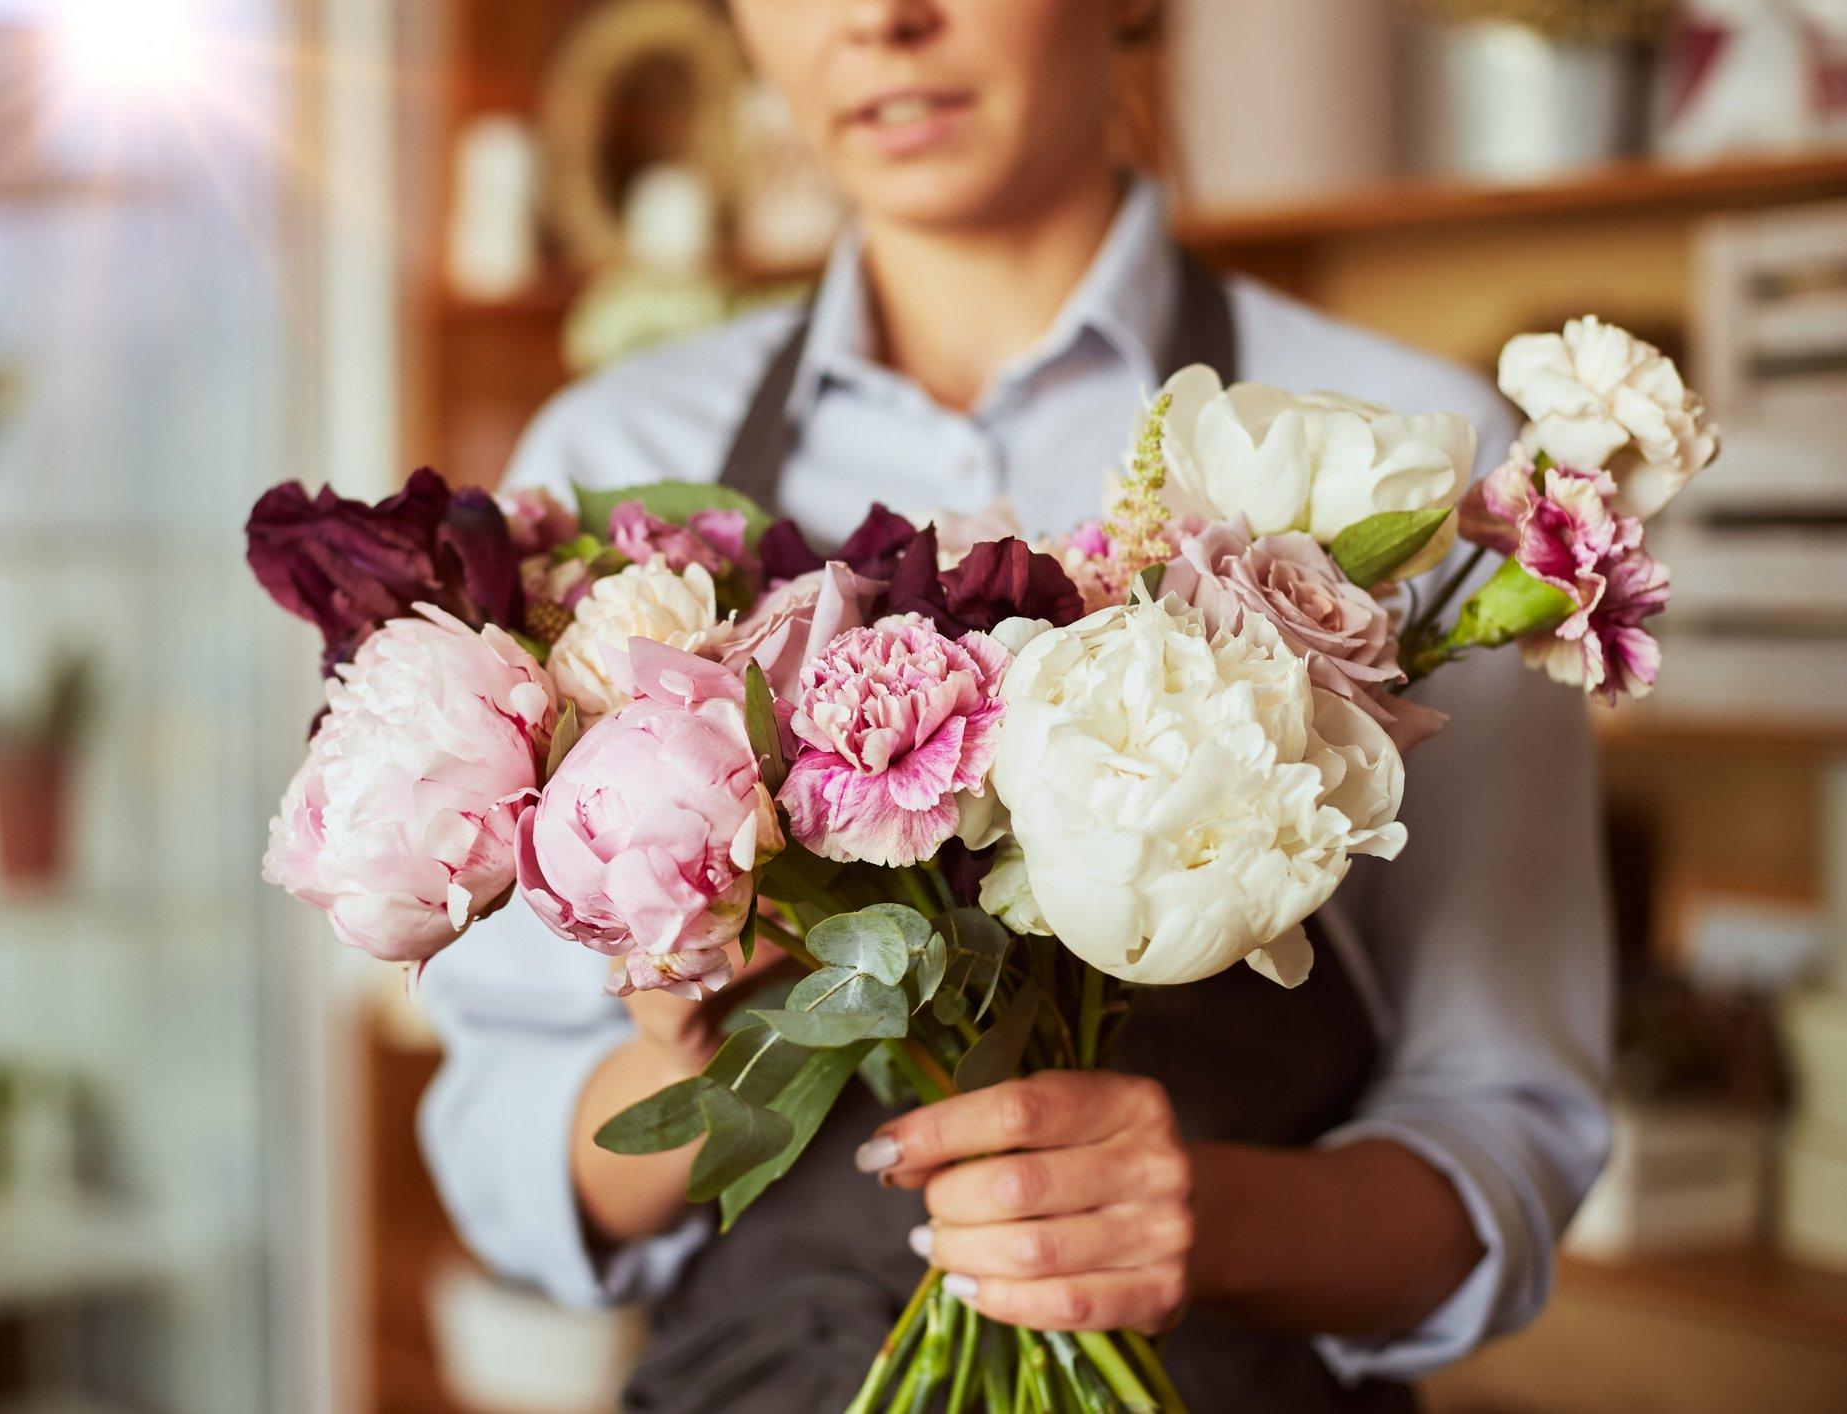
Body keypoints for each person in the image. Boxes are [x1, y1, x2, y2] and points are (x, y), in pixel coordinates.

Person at [419, 2, 1612, 1409]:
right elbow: (507, 1128)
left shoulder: (1396, 474)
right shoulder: (613, 464)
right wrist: (704, 1069)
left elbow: (1505, 1127)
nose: (879, 20)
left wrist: (1205, 1221)